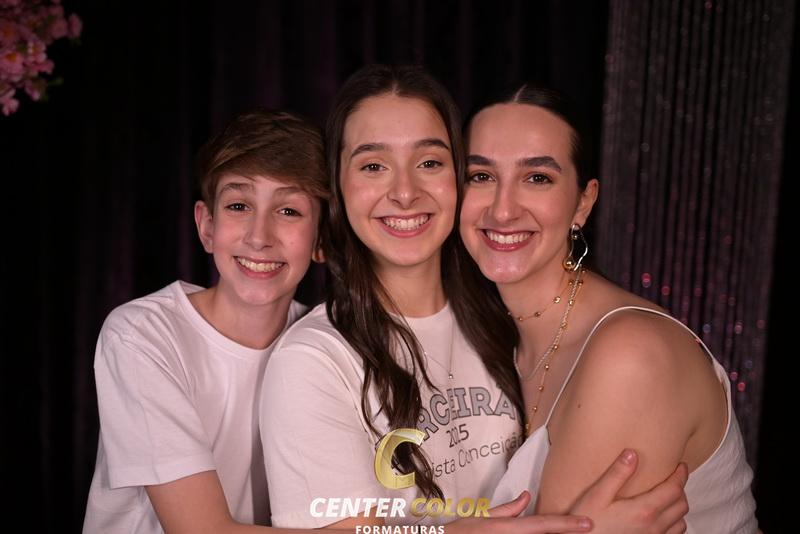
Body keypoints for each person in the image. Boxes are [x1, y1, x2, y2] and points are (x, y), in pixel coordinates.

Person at [260, 64, 689, 533]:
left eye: (429, 163)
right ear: (338, 187)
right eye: (373, 166)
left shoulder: (510, 319)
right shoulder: (314, 360)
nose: (404, 192)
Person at [460, 84, 758, 532]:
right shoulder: (487, 334)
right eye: (481, 176)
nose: (502, 210)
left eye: (537, 178)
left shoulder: (631, 353)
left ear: (583, 202)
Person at [83, 110, 329, 533]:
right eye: (238, 206)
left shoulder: (327, 344)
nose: (259, 236)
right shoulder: (142, 335)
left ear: (323, 240)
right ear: (207, 226)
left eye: (289, 210)